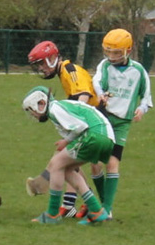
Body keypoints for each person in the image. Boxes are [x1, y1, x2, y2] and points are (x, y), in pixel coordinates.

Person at [26, 40, 105, 218]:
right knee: (69, 163)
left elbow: (83, 96)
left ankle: (98, 207)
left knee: (70, 162)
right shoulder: (64, 74)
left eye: (41, 63)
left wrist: (74, 122)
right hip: (90, 124)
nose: (40, 69)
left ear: (53, 58)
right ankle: (74, 205)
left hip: (93, 124)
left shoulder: (70, 71)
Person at [22, 86, 114, 225]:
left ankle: (52, 214)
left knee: (56, 165)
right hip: (107, 138)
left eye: (32, 110)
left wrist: (66, 141)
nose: (33, 114)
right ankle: (96, 211)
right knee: (66, 169)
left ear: (41, 103)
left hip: (95, 135)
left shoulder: (55, 109)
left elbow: (80, 126)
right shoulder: (60, 107)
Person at [92, 28, 153, 219]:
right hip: (103, 118)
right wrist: (101, 94)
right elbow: (97, 81)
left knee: (112, 164)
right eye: (108, 51)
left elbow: (147, 97)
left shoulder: (138, 71)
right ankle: (103, 204)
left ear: (128, 50)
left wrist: (141, 109)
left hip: (121, 123)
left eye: (116, 52)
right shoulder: (105, 66)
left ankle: (107, 209)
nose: (111, 56)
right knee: (95, 165)